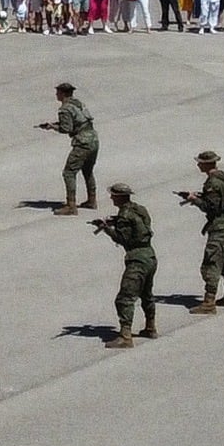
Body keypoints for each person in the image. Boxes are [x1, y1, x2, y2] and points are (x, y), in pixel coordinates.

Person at [97, 185, 160, 345]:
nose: (111, 198)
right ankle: (150, 327)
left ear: (119, 197)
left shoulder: (124, 215)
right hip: (150, 256)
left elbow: (123, 239)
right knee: (146, 294)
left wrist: (107, 229)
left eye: (113, 195)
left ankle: (125, 336)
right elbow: (140, 226)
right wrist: (116, 221)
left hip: (137, 259)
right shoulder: (139, 209)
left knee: (125, 298)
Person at [185, 152, 224, 314]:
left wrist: (194, 200)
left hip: (218, 225)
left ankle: (209, 301)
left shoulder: (212, 183)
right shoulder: (223, 177)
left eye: (200, 163)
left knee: (212, 262)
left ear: (206, 164)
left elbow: (210, 207)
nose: (198, 165)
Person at [42, 82, 99, 212]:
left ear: (62, 93)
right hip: (93, 139)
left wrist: (52, 127)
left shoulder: (65, 109)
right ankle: (92, 200)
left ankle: (71, 206)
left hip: (82, 142)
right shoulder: (78, 104)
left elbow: (66, 128)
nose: (56, 95)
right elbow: (79, 121)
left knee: (69, 172)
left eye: (58, 92)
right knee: (88, 171)